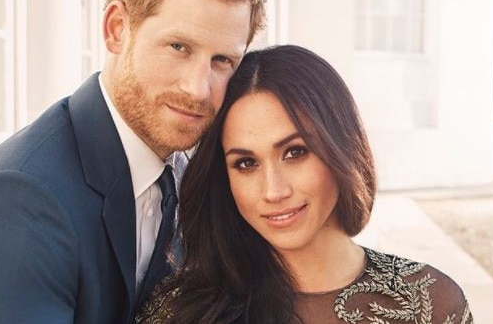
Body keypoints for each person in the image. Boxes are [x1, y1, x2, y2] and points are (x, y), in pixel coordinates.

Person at [0, 0, 265, 323]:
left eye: (222, 60)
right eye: (178, 47)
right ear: (116, 29)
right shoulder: (23, 196)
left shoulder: (183, 169)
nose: (198, 88)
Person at [135, 45, 474, 324]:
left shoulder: (429, 303)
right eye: (246, 163)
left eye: (295, 152)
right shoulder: (181, 312)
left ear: (340, 148)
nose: (274, 191)